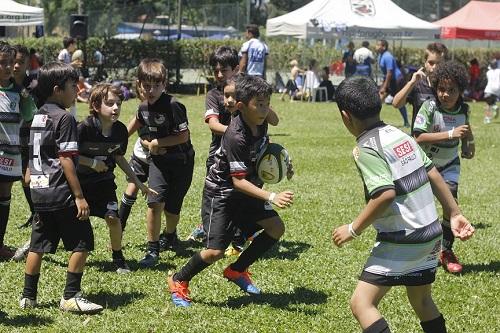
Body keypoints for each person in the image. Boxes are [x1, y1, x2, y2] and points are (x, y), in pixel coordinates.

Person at [332, 75, 475, 333]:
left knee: (361, 304)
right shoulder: (400, 134)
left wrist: (352, 229)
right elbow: (432, 171)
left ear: (345, 116)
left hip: (402, 239)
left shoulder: (366, 148)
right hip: (431, 233)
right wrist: (454, 212)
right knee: (421, 300)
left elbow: (384, 194)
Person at [167, 74, 294, 307]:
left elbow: (273, 122)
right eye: (260, 104)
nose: (265, 109)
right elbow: (238, 182)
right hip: (222, 193)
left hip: (248, 189)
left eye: (267, 103)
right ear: (240, 106)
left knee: (276, 228)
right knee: (215, 251)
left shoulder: (258, 117)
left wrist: (283, 163)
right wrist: (272, 196)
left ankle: (237, 270)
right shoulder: (236, 136)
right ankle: (178, 279)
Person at [19, 62, 103, 314]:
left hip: (40, 192)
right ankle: (70, 296)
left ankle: (27, 297)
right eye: (72, 86)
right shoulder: (64, 117)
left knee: (38, 245)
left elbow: (31, 152)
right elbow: (66, 158)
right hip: (61, 191)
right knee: (83, 242)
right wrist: (78, 196)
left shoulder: (36, 115)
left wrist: (30, 174)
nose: (76, 91)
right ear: (57, 89)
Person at [77, 83, 156, 273]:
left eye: (118, 103)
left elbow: (119, 157)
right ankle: (34, 244)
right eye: (110, 103)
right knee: (62, 221)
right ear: (96, 106)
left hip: (104, 183)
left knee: (113, 218)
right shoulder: (84, 128)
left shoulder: (120, 131)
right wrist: (92, 163)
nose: (115, 108)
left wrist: (138, 183)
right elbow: (68, 156)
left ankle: (118, 256)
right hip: (79, 185)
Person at [127, 58, 195, 267]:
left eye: (156, 85)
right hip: (159, 162)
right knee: (155, 202)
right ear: (139, 84)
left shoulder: (174, 105)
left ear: (164, 84)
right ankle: (152, 249)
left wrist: (157, 142)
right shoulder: (143, 107)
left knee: (172, 208)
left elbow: (184, 136)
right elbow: (132, 126)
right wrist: (115, 141)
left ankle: (170, 234)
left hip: (182, 161)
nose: (151, 90)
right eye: (147, 86)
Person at [413, 60, 475, 274]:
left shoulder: (463, 109)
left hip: (449, 165)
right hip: (425, 165)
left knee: (451, 203)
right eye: (441, 89)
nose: (445, 94)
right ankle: (417, 250)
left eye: (452, 90)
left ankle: (445, 251)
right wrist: (450, 134)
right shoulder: (429, 107)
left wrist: (468, 144)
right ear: (435, 87)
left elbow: (465, 130)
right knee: (420, 210)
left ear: (460, 91)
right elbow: (418, 136)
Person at [0, 42, 37, 260]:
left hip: (10, 154)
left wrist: (24, 95)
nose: (7, 67)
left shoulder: (17, 91)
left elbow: (30, 114)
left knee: (5, 196)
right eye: (2, 63)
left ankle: (0, 244)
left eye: (10, 63)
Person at [392, 43, 448, 130]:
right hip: (419, 139)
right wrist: (411, 83)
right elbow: (396, 104)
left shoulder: (450, 87)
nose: (435, 67)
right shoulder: (417, 84)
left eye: (439, 63)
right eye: (431, 63)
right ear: (425, 63)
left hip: (442, 139)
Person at [376, 39, 410, 127]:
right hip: (390, 80)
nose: (376, 46)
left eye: (378, 45)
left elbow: (389, 72)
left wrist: (384, 86)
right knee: (379, 98)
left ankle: (406, 122)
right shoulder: (380, 55)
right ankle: (374, 121)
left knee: (399, 101)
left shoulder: (388, 56)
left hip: (396, 81)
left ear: (384, 47)